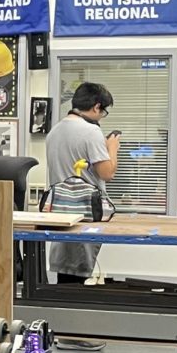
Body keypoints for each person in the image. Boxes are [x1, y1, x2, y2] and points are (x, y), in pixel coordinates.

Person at [44, 82, 120, 286]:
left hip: (60, 212)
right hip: (84, 214)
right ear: (96, 107)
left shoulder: (55, 131)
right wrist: (112, 147)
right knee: (77, 275)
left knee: (65, 273)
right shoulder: (91, 132)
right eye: (103, 111)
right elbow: (107, 173)